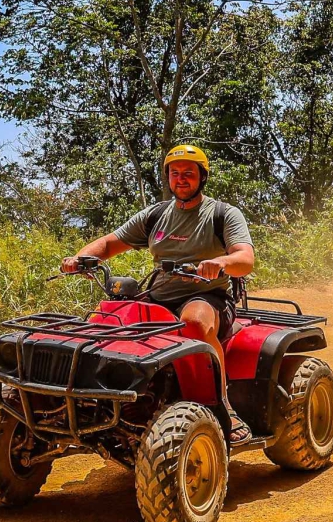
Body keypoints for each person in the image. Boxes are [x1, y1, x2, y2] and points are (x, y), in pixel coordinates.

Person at [61, 144, 257, 443]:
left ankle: (222, 404)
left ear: (202, 177)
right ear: (167, 177)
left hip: (208, 296)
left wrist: (219, 263)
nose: (181, 179)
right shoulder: (156, 215)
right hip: (157, 295)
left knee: (193, 323)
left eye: (188, 174)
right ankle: (103, 400)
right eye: (174, 173)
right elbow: (111, 243)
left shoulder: (222, 214)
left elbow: (245, 259)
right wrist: (81, 258)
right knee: (106, 320)